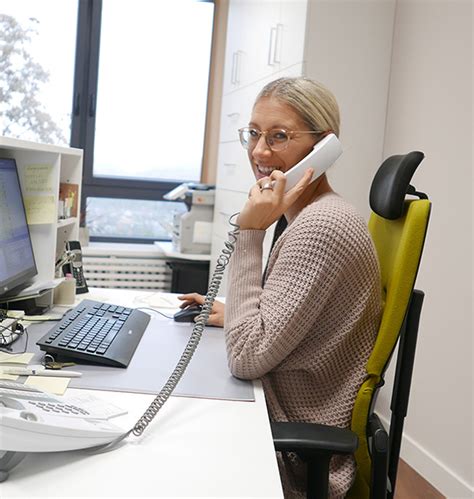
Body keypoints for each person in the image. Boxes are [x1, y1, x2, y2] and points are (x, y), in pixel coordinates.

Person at [179, 77, 382, 498]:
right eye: (253, 134)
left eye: (278, 136)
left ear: (323, 146)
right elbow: (283, 318)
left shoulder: (320, 226)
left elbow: (247, 357)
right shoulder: (308, 215)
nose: (258, 152)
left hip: (289, 452)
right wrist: (233, 310)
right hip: (276, 408)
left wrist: (250, 231)